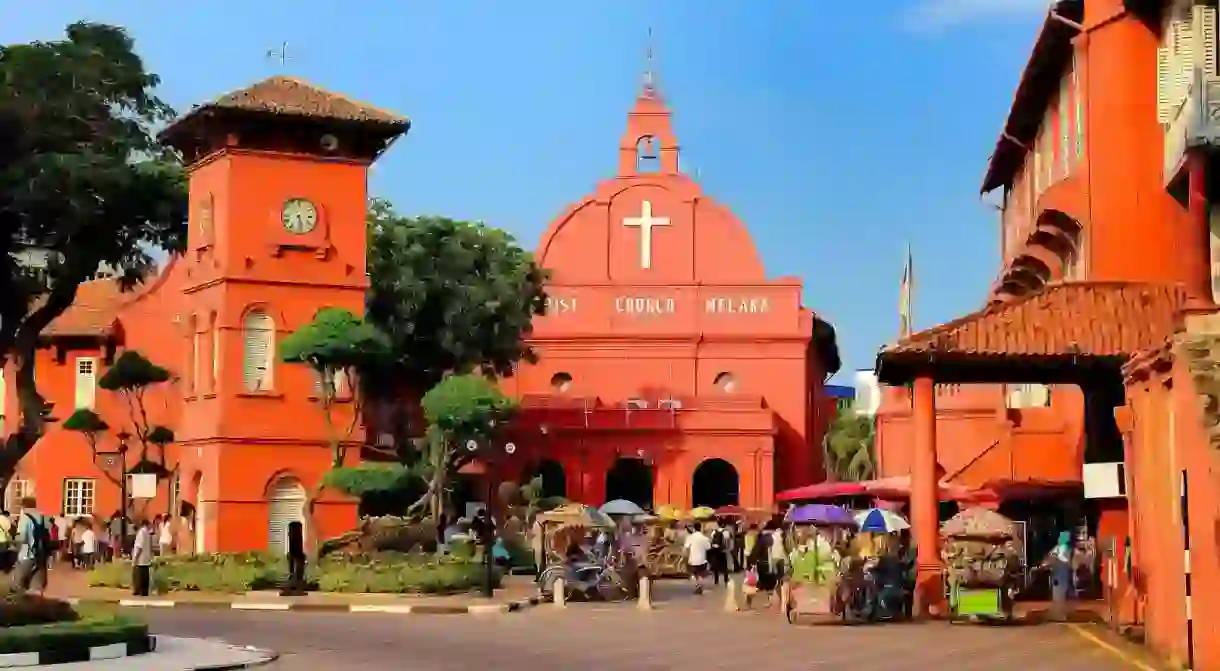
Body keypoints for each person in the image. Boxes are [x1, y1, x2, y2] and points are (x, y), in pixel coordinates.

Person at [12, 497, 51, 594]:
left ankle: (21, 606)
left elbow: (21, 538)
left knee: (17, 584)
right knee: (36, 589)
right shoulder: (44, 518)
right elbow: (49, 536)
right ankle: (37, 607)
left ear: (23, 506)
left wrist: (13, 546)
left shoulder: (25, 518)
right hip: (41, 556)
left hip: (26, 555)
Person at [1043, 530, 1073, 621]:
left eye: (1062, 537)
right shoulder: (1063, 548)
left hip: (1060, 574)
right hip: (1059, 574)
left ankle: (1059, 615)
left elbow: (1053, 559)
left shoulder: (1062, 548)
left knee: (1058, 595)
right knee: (1059, 594)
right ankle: (1058, 614)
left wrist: (1046, 565)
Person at [683, 522, 711, 595]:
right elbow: (708, 548)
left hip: (693, 560)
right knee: (701, 574)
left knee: (694, 574)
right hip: (702, 560)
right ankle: (699, 586)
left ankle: (698, 586)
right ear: (700, 528)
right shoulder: (705, 538)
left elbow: (686, 547)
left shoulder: (690, 537)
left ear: (694, 528)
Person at [131, 519, 153, 597]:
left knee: (138, 575)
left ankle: (138, 590)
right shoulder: (147, 533)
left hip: (141, 558)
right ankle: (144, 591)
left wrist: (136, 558)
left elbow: (139, 546)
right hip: (146, 558)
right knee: (145, 576)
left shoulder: (141, 533)